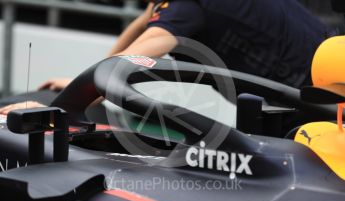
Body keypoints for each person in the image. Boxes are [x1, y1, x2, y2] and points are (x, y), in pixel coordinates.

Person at [0, 0, 332, 114]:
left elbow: (129, 61)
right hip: (323, 76)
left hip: (314, 103)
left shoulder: (188, 7)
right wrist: (84, 82)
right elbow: (147, 20)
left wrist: (57, 107)